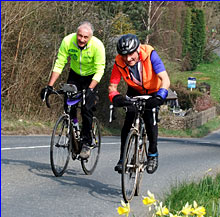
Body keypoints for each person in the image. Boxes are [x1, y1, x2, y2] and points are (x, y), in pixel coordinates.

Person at [41, 21, 105, 159]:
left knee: (87, 108)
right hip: (75, 75)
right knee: (69, 106)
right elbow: (60, 63)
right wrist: (50, 86)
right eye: (79, 35)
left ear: (91, 37)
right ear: (76, 34)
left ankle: (87, 141)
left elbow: (100, 69)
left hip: (91, 77)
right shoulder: (68, 41)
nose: (81, 39)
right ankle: (74, 128)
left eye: (85, 37)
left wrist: (90, 89)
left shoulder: (98, 46)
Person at [108, 33, 170, 174]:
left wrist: (160, 96)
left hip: (154, 90)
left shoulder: (150, 53)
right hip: (135, 90)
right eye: (124, 55)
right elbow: (112, 87)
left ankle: (152, 153)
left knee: (150, 120)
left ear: (137, 49)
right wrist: (116, 98)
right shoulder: (119, 61)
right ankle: (123, 158)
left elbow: (165, 79)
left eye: (131, 54)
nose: (128, 59)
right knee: (128, 122)